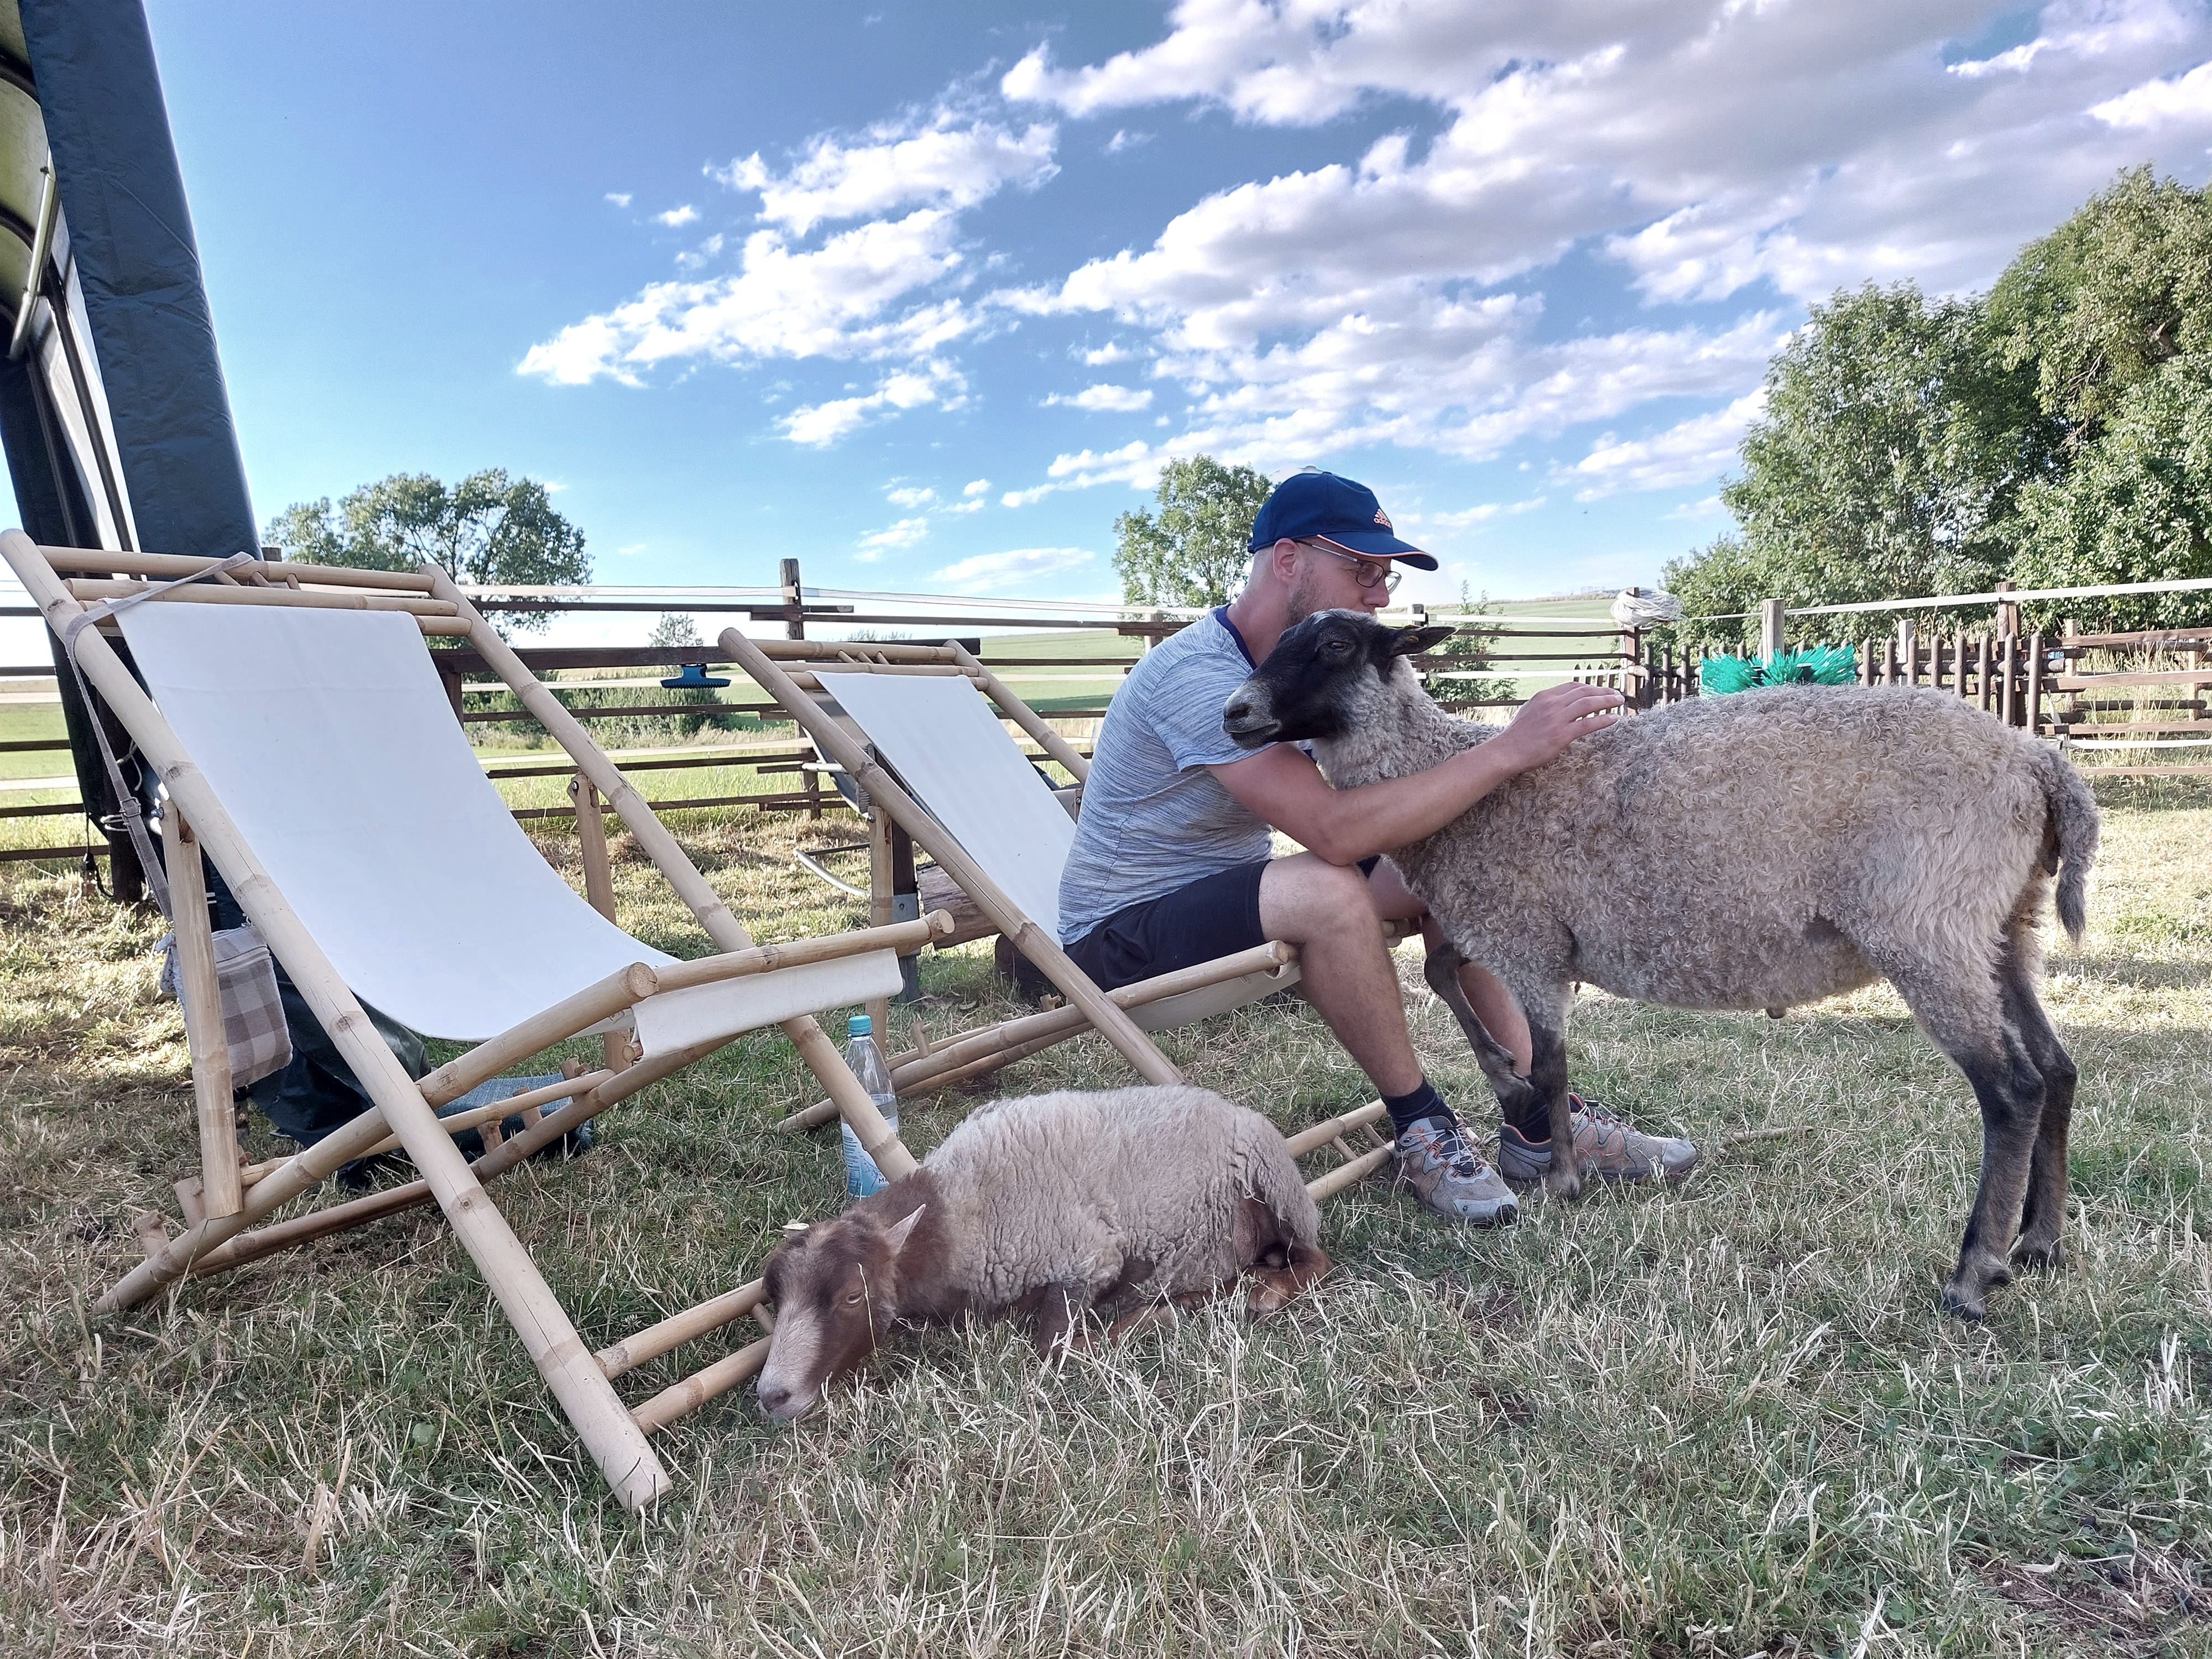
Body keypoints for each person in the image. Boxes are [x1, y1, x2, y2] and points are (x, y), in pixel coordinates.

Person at [1057, 469, 1696, 1224]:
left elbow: (1401, 803)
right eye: (1363, 570)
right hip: (1120, 939)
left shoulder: (1302, 669)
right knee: (1327, 890)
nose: (1380, 596)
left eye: (1384, 577)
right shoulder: (1198, 675)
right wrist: (1507, 750)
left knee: (1456, 869)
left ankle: (1540, 1117)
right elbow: (1333, 830)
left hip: (1233, 901)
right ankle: (1421, 1126)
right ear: (1288, 560)